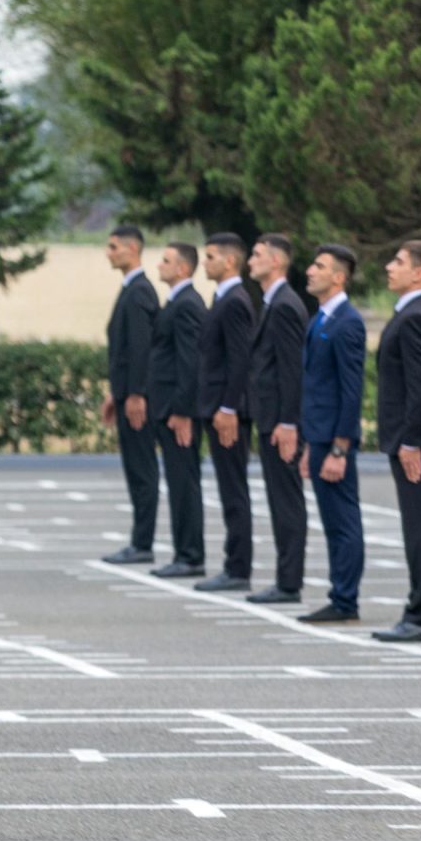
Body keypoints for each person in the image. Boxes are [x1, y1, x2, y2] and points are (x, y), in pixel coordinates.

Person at [371, 241, 421, 644]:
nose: (389, 267)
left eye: (398, 262)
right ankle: (419, 608)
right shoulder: (410, 312)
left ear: (419, 273)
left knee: (420, 528)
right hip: (406, 439)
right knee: (416, 526)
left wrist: (412, 441)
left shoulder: (417, 317)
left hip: (414, 443)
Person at [297, 244, 366, 623]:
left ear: (338, 277)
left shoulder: (347, 322)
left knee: (343, 520)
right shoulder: (321, 318)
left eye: (319, 266)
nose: (310, 270)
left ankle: (345, 599)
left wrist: (341, 447)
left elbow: (350, 389)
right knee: (332, 520)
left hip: (334, 439)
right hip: (320, 435)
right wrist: (312, 444)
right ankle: (340, 593)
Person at [244, 233, 308, 604]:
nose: (251, 261)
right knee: (279, 498)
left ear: (277, 262)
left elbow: (291, 370)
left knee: (286, 500)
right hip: (269, 418)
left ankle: (289, 581)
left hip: (280, 422)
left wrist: (288, 422)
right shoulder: (272, 303)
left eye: (257, 255)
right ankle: (285, 577)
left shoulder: (284, 305)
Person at [195, 233, 260, 593]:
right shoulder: (222, 297)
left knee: (234, 489)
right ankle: (233, 564)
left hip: (227, 410)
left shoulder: (235, 300)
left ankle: (238, 568)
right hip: (217, 406)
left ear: (229, 262)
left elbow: (240, 359)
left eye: (210, 257)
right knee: (227, 487)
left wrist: (228, 407)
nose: (204, 263)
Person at [100, 223, 161, 565]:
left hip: (138, 398)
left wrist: (136, 393)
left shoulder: (139, 291)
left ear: (131, 249)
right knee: (135, 468)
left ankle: (143, 542)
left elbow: (141, 349)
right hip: (127, 393)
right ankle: (139, 540)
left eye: (113, 247)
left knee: (142, 469)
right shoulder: (130, 288)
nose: (109, 253)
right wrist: (116, 392)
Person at [147, 242, 206, 579]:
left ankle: (191, 554)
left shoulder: (187, 304)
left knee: (184, 481)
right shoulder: (177, 301)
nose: (160, 265)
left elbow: (190, 361)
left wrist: (183, 410)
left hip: (177, 410)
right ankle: (184, 551)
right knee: (178, 480)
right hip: (167, 406)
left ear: (183, 268)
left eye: (166, 261)